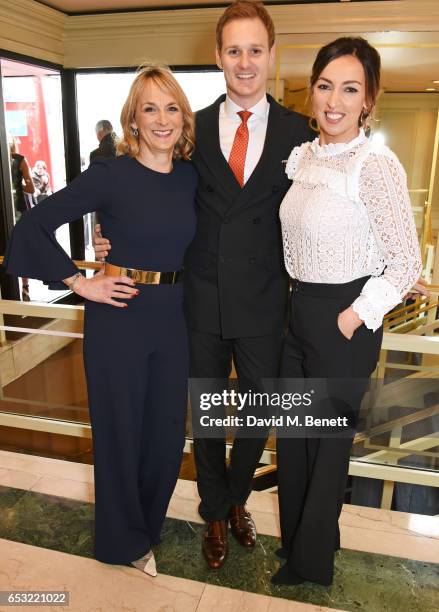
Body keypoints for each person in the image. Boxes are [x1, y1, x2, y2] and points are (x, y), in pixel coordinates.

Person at [93, 0, 314, 570]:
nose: (245, 62)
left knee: (260, 414)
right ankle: (216, 512)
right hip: (201, 301)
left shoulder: (300, 135)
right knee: (210, 416)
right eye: (233, 50)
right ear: (219, 56)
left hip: (266, 304)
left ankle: (232, 496)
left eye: (255, 50)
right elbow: (154, 191)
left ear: (271, 55)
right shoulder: (193, 135)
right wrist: (109, 235)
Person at [4, 65, 197, 577]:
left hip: (175, 318)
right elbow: (34, 224)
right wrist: (79, 280)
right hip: (119, 316)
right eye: (149, 108)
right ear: (132, 119)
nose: (162, 119)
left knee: (164, 436)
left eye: (171, 107)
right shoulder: (111, 173)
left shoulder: (193, 177)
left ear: (184, 117)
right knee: (119, 433)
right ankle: (120, 542)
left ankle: (146, 530)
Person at [273, 37, 422, 587]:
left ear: (369, 99)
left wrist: (354, 316)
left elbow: (404, 260)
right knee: (293, 439)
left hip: (344, 319)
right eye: (325, 85)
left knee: (326, 448)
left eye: (350, 89)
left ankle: (311, 566)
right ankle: (302, 542)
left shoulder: (375, 162)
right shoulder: (305, 155)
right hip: (299, 311)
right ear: (311, 90)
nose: (334, 100)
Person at [9, 136, 35, 300]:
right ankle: (25, 288)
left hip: (5, 211)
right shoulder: (20, 160)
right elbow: (31, 188)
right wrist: (19, 185)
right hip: (18, 210)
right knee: (22, 249)